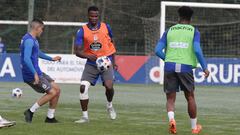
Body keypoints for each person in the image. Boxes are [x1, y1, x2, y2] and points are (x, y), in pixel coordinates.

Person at [155, 6, 210, 134]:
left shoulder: (169, 30)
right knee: (190, 97)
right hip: (185, 67)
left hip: (169, 66)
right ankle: (194, 127)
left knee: (170, 99)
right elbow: (196, 50)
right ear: (190, 19)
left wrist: (168, 59)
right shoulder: (194, 31)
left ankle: (172, 120)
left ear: (178, 17)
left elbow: (157, 50)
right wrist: (204, 67)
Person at [74, 6, 117, 123]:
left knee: (109, 87)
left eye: (96, 16)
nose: (94, 18)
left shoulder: (106, 27)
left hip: (106, 62)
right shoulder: (82, 31)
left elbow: (111, 43)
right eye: (92, 16)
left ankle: (109, 105)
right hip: (91, 63)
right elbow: (77, 51)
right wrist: (87, 56)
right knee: (83, 87)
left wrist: (114, 61)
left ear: (99, 16)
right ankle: (85, 117)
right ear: (88, 16)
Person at [20, 18, 61, 123]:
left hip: (37, 71)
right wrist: (34, 74)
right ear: (37, 28)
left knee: (57, 89)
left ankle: (50, 117)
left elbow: (38, 53)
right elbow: (26, 58)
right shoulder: (29, 40)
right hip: (31, 74)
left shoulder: (33, 39)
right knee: (52, 92)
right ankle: (30, 111)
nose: (42, 31)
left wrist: (51, 59)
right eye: (42, 29)